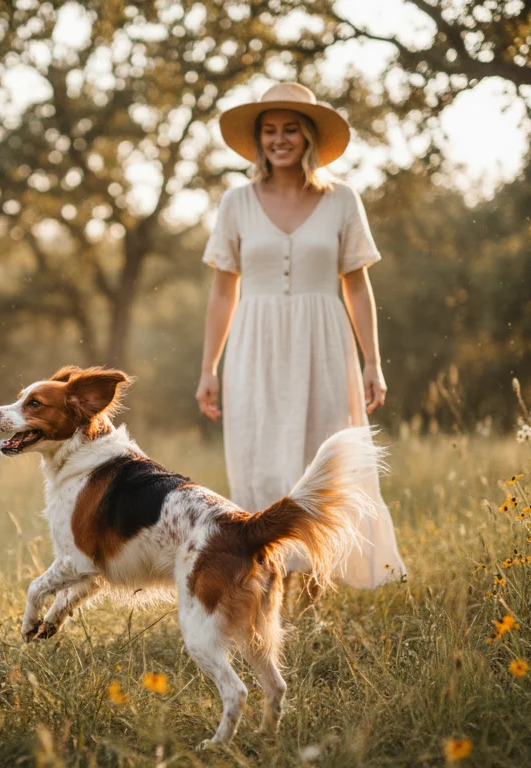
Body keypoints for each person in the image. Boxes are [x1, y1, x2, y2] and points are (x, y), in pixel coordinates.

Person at [196, 82, 406, 588]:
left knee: (323, 460)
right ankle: (268, 587)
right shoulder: (236, 203)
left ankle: (318, 586)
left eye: (290, 128)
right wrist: (209, 367)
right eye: (269, 130)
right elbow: (224, 292)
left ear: (308, 136)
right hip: (255, 345)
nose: (279, 139)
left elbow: (356, 286)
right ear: (257, 140)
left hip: (325, 343)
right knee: (261, 461)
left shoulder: (342, 201)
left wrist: (372, 361)